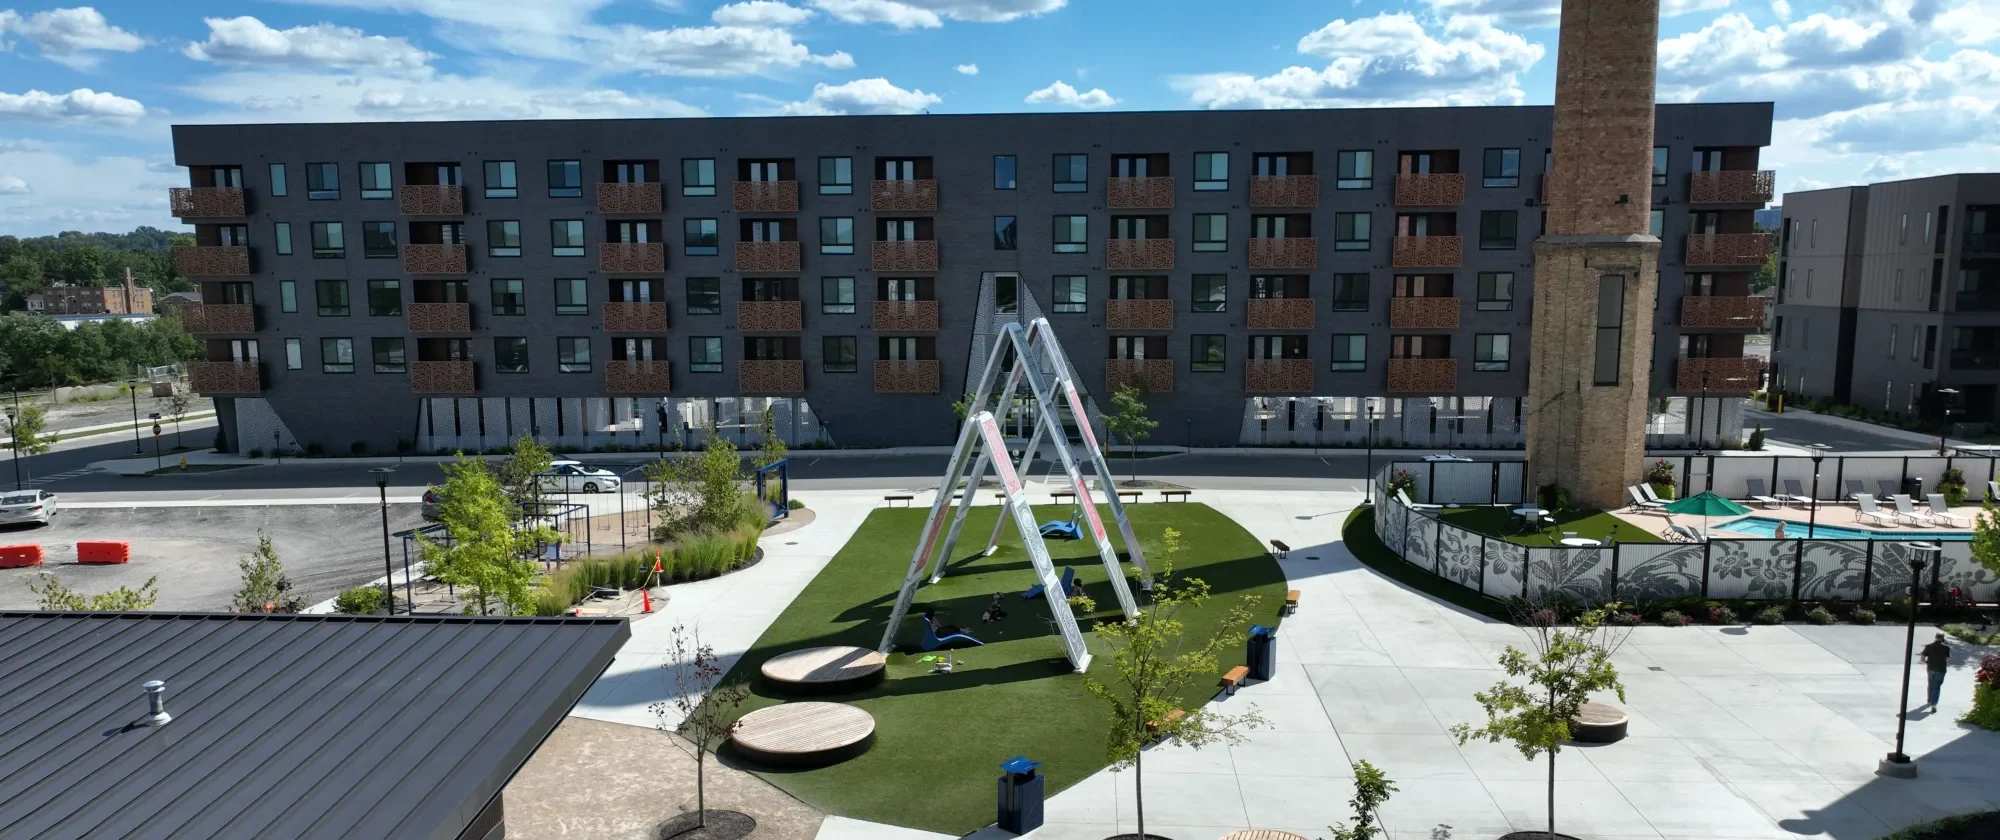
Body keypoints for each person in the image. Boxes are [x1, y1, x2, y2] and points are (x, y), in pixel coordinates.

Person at [1920, 632, 1952, 710]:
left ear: (1935, 637)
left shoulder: (1929, 646)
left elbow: (1922, 657)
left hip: (1930, 668)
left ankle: (1930, 700)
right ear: (1942, 638)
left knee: (1931, 684)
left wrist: (1925, 662)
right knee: (1937, 686)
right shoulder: (1946, 648)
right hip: (1941, 669)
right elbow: (1948, 659)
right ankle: (1934, 704)